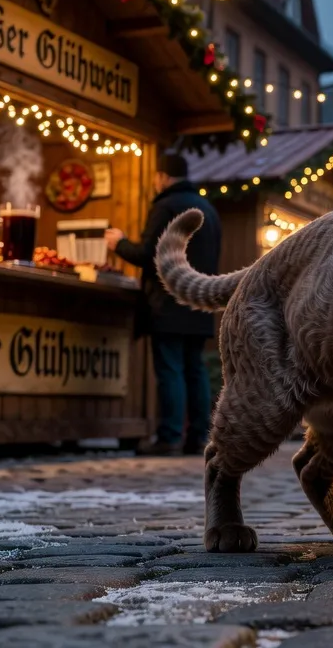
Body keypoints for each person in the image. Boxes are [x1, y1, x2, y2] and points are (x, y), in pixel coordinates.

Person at [106, 153, 221, 457]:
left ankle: (169, 436)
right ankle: (199, 437)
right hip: (199, 302)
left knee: (170, 370)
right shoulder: (208, 208)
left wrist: (119, 243)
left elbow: (149, 254)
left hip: (168, 304)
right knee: (194, 370)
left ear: (162, 177)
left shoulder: (165, 206)